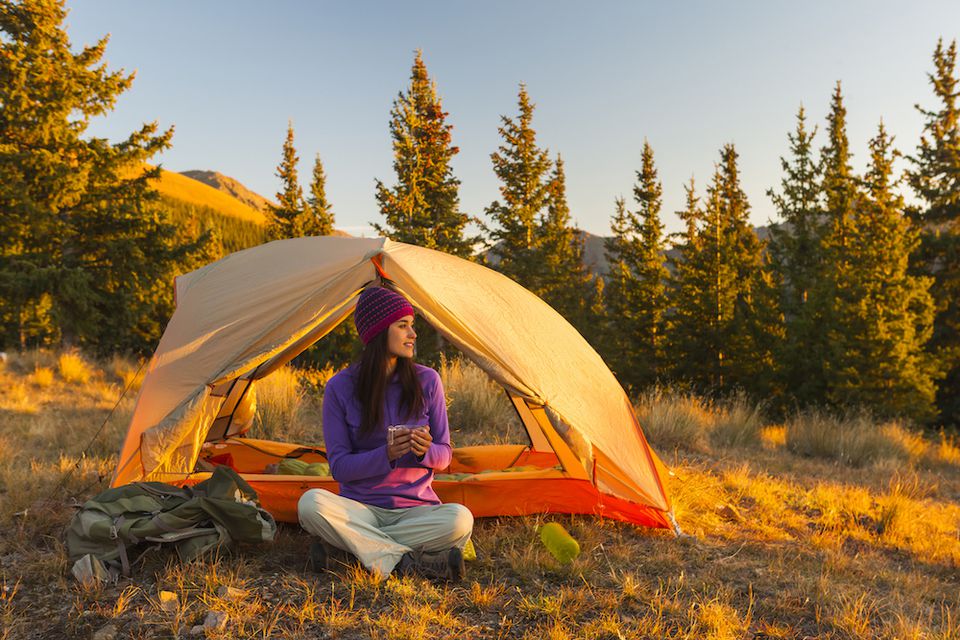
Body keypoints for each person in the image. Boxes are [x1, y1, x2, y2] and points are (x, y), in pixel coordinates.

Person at [298, 286, 474, 581]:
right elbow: (340, 467)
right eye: (402, 326)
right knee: (310, 504)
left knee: (460, 519)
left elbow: (444, 456)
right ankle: (407, 560)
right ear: (379, 332)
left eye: (412, 325)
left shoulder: (427, 380)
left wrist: (424, 451)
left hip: (416, 509)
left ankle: (353, 550)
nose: (413, 334)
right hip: (359, 507)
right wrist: (386, 454)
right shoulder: (340, 387)